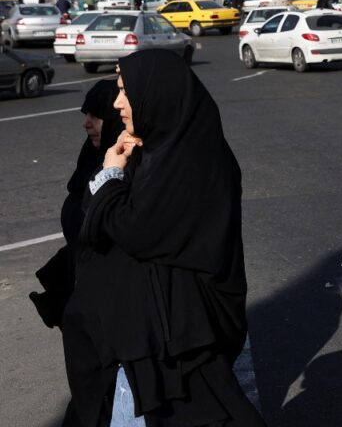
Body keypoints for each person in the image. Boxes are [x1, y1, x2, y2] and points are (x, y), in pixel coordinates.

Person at [61, 50, 264, 426]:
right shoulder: (151, 152)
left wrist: (109, 176)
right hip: (145, 344)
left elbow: (136, 232)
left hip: (174, 345)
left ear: (156, 96)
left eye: (125, 92)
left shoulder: (193, 161)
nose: (118, 103)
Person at [30, 80, 123, 331]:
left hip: (113, 297)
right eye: (86, 115)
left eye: (96, 115)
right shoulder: (93, 154)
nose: (87, 122)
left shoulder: (123, 164)